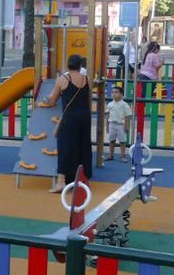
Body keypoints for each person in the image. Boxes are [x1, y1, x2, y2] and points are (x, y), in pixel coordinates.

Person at [38, 54, 93, 194]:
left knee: (65, 147)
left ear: (68, 66)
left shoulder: (62, 80)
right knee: (83, 146)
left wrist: (45, 99)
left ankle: (61, 181)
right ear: (80, 66)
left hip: (70, 117)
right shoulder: (86, 79)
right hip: (85, 117)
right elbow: (87, 99)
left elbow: (53, 100)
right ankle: (83, 179)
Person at [104, 84, 130, 161]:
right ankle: (110, 155)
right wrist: (107, 126)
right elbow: (107, 115)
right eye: (112, 92)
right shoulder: (110, 104)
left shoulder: (124, 105)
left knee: (122, 141)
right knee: (111, 140)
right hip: (112, 124)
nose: (114, 94)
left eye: (116, 92)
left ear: (121, 95)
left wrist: (127, 126)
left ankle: (123, 156)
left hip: (121, 125)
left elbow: (127, 116)